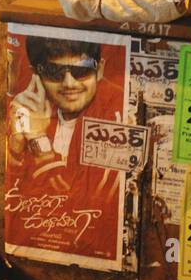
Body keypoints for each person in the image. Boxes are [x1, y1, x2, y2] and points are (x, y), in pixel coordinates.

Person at [7, 36, 125, 193]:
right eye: (54, 71)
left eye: (82, 70)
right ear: (36, 74)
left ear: (99, 70)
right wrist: (16, 145)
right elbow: (13, 191)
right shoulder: (27, 108)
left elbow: (91, 198)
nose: (69, 84)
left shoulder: (117, 110)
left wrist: (39, 141)